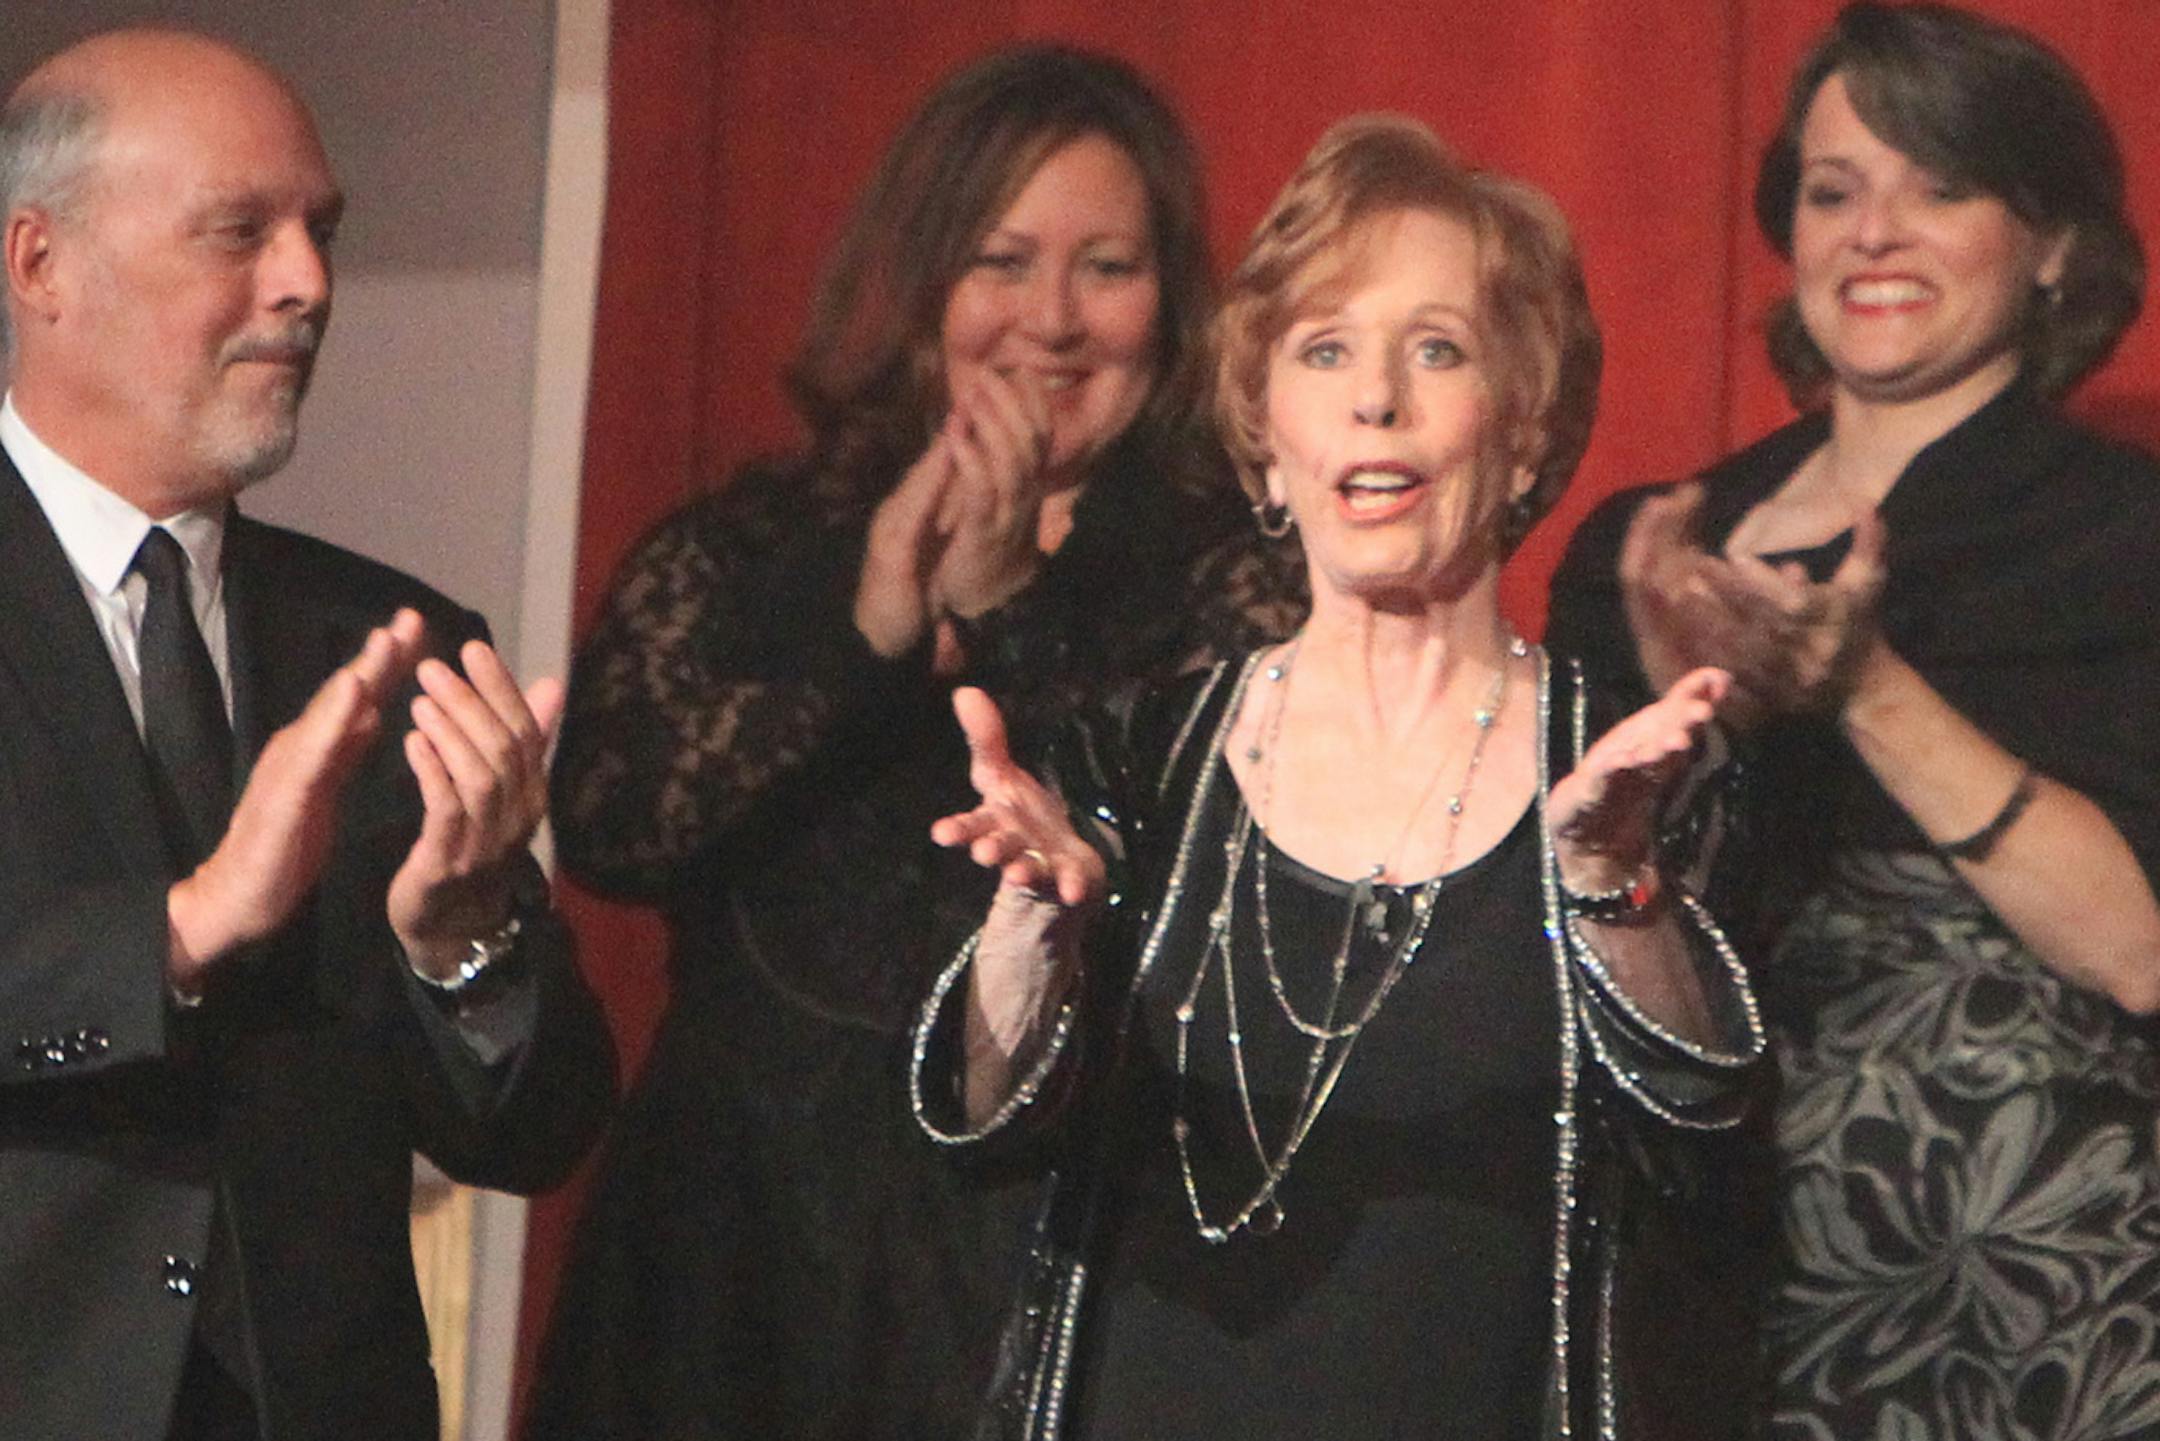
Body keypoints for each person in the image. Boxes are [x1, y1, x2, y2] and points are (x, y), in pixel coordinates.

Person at [912, 114, 1766, 1441]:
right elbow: (978, 1134)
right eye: (1325, 351)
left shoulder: (1628, 772)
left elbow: (1716, 1140)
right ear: (1266, 438)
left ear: (1524, 430)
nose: (1377, 398)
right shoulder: (1138, 759)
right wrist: (1028, 943)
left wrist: (1612, 886)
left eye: (1437, 348)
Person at [527, 45, 1303, 1441]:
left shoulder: (1225, 578)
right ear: (922, 282)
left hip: (1033, 1263)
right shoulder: (753, 544)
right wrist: (867, 634)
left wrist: (1011, 604)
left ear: (1172, 304)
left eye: (1108, 269)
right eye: (1003, 261)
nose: (1052, 322)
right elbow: (608, 822)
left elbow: (1205, 873)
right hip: (726, 1266)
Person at [1545, 5, 2160, 1436]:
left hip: (2028, 1279)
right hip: (1713, 1245)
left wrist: (1865, 690)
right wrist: (1665, 718)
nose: (1876, 233)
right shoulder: (1647, 544)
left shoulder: (2123, 535)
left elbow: (2138, 947)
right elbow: (1570, 924)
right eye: (1835, 192)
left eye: (1939, 187)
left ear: (2055, 243)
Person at [0, 29, 615, 1441]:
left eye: (319, 233)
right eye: (241, 233)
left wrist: (464, 944)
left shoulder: (392, 644)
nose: (308, 285)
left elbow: (537, 1127)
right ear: (42, 265)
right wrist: (179, 926)